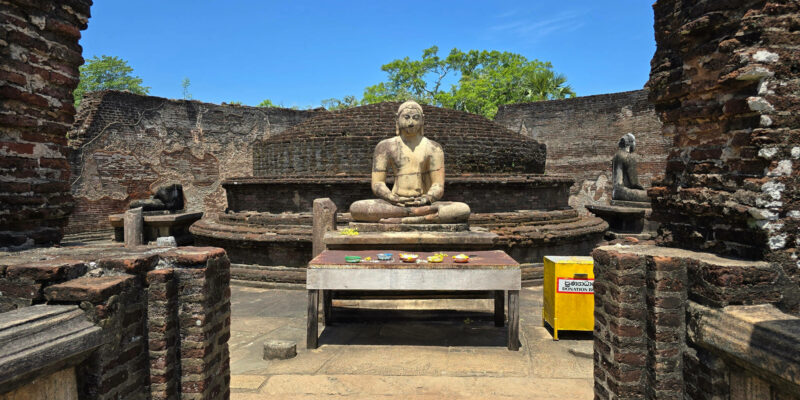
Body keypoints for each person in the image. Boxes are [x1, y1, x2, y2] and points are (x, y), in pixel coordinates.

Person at [349, 100, 470, 224]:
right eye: (406, 117)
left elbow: (438, 185)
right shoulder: (385, 146)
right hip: (395, 203)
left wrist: (427, 198)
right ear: (397, 119)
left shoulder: (434, 148)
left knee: (462, 209)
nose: (411, 123)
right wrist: (391, 197)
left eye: (415, 118)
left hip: (423, 203)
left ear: (422, 120)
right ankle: (419, 218)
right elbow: (377, 183)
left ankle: (408, 218)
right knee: (356, 208)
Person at [611, 133, 650, 203]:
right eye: (634, 142)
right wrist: (644, 190)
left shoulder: (616, 156)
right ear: (630, 143)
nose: (635, 144)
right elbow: (634, 183)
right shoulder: (629, 157)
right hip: (623, 192)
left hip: (615, 192)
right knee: (651, 197)